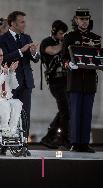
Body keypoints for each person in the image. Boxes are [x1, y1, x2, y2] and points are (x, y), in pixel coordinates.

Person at [62, 8, 103, 153]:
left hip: (89, 80)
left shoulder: (95, 38)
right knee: (76, 112)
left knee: (87, 113)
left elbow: (98, 57)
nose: (84, 22)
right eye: (82, 19)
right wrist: (68, 64)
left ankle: (84, 143)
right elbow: (63, 57)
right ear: (76, 20)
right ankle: (75, 143)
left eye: (87, 19)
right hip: (75, 80)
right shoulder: (69, 37)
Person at [0, 11, 40, 144]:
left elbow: (36, 59)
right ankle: (6, 144)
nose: (24, 24)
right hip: (10, 83)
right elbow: (2, 58)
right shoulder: (2, 39)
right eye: (22, 22)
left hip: (26, 82)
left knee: (25, 115)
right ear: (12, 23)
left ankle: (23, 144)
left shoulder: (26, 37)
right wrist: (20, 51)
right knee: (8, 115)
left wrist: (34, 53)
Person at [39, 20, 69, 149]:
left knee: (65, 110)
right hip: (55, 82)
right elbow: (52, 51)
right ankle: (61, 139)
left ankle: (50, 137)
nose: (63, 36)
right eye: (61, 33)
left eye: (64, 34)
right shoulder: (46, 42)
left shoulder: (62, 42)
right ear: (54, 32)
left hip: (66, 81)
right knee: (65, 110)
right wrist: (67, 42)